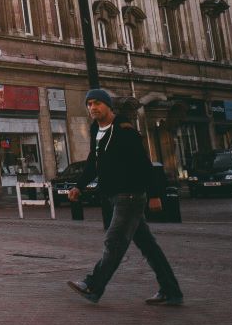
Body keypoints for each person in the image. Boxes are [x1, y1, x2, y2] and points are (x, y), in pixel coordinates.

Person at [67, 89, 183, 307]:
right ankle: (171, 290)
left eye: (97, 103)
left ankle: (93, 285)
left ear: (108, 106)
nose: (93, 108)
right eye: (89, 104)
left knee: (115, 240)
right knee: (148, 246)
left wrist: (155, 195)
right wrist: (79, 186)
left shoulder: (124, 130)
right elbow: (94, 162)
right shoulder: (96, 130)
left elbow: (143, 163)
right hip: (113, 195)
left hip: (130, 194)